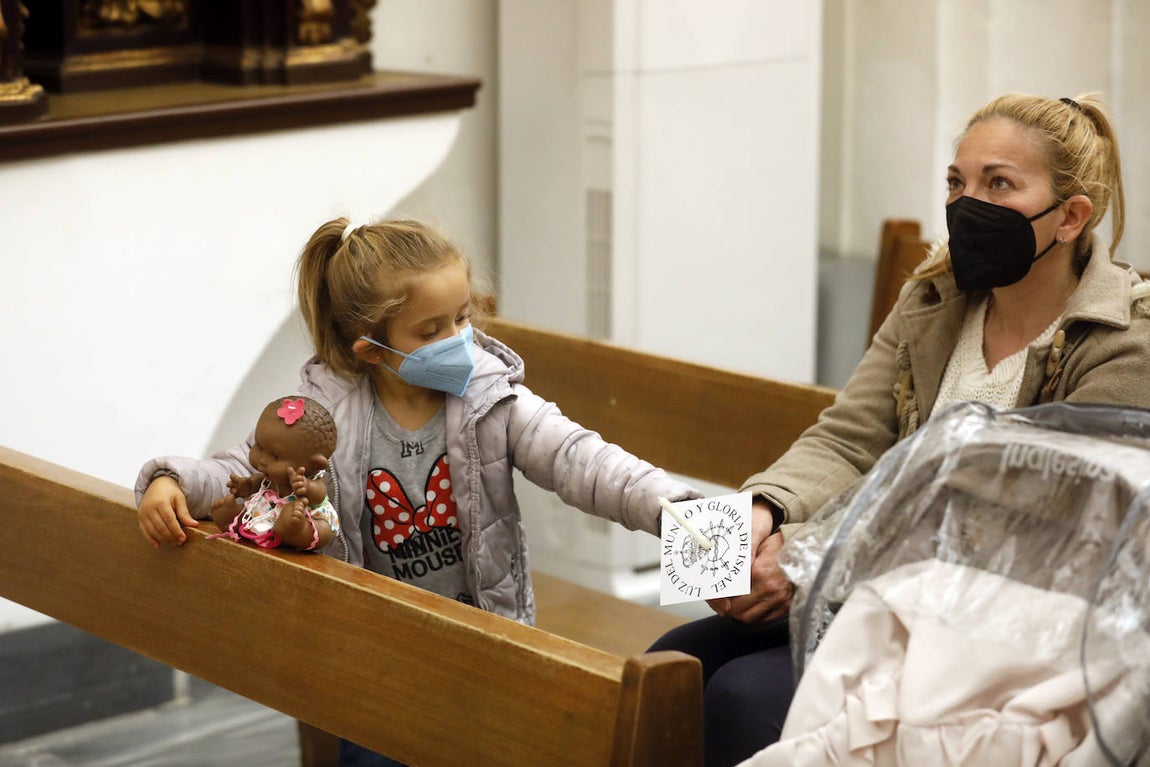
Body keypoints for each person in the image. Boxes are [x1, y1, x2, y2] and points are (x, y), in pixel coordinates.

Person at [650, 91, 1150, 767]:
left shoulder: (1124, 340)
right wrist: (765, 513)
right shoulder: (934, 295)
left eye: (998, 183)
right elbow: (847, 437)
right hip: (871, 587)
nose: (966, 202)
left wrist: (807, 558)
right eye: (957, 181)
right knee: (668, 664)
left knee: (743, 697)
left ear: (1070, 216)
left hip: (1002, 636)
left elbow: (1031, 531)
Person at [135, 217, 702, 767]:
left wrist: (686, 517)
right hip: (373, 656)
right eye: (430, 332)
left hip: (487, 645)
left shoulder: (492, 400)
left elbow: (585, 462)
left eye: (461, 318)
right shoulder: (325, 416)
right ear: (372, 350)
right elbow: (244, 466)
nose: (456, 341)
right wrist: (172, 480)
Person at [207, 395, 339, 551]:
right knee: (248, 512)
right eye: (259, 446)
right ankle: (231, 517)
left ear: (315, 464)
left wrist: (306, 486)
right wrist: (247, 486)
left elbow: (319, 495)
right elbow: (258, 482)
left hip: (304, 513)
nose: (262, 460)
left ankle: (296, 530)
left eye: (276, 456)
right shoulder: (269, 478)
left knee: (322, 529)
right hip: (267, 513)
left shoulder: (315, 480)